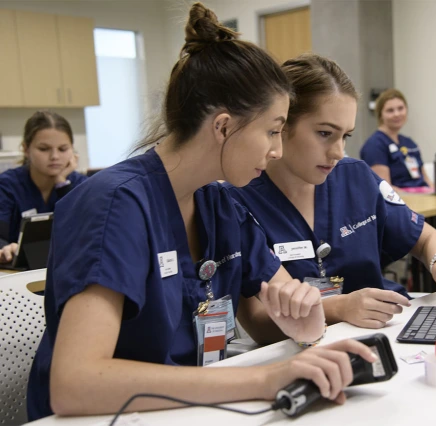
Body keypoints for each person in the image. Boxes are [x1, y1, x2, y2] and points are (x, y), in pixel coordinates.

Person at [26, 4, 377, 421]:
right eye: (272, 131)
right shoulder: (115, 205)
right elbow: (75, 384)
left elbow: (282, 305)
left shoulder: (222, 206)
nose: (277, 150)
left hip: (187, 409)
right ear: (223, 126)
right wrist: (262, 381)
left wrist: (304, 325)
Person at [229, 54, 436, 332]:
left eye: (346, 136)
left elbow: (426, 239)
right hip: (306, 349)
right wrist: (339, 308)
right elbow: (257, 322)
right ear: (282, 125)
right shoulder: (240, 200)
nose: (338, 152)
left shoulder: (355, 177)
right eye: (325, 133)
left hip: (385, 329)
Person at [0, 111, 86, 264]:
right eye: (44, 149)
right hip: (19, 271)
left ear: (72, 150)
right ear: (26, 149)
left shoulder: (80, 184)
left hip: (67, 268)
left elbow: (84, 233)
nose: (54, 156)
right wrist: (6, 248)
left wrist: (62, 184)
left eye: (63, 149)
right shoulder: (7, 185)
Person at [360, 89, 433, 192]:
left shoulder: (409, 142)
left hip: (425, 197)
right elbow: (384, 189)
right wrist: (414, 195)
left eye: (400, 108)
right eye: (390, 110)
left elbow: (426, 180)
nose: (397, 114)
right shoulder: (375, 145)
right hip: (402, 202)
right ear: (380, 115)